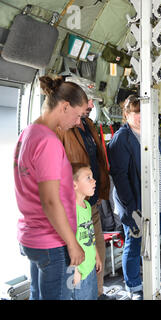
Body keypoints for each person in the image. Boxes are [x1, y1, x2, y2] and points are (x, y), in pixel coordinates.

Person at [13, 76, 88, 300]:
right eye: (78, 115)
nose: (78, 123)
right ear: (65, 106)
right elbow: (50, 200)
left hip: (32, 236)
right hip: (52, 242)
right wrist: (73, 244)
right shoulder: (48, 142)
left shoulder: (28, 133)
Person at [107, 95, 161, 299]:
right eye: (135, 113)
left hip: (157, 198)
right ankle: (134, 284)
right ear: (126, 115)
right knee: (135, 242)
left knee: (153, 243)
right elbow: (120, 177)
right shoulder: (122, 138)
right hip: (136, 202)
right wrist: (131, 208)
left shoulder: (152, 134)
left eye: (143, 112)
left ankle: (152, 276)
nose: (139, 117)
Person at [56, 77, 111, 300]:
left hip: (90, 202)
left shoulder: (88, 125)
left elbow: (96, 158)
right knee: (75, 257)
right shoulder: (60, 128)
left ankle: (96, 293)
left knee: (96, 251)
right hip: (72, 205)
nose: (90, 106)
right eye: (87, 102)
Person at [71, 163, 103, 300]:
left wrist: (97, 255)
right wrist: (73, 271)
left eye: (93, 177)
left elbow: (90, 234)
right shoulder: (70, 210)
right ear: (74, 185)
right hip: (78, 272)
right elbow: (66, 243)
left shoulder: (87, 206)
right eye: (88, 177)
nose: (94, 181)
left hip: (90, 268)